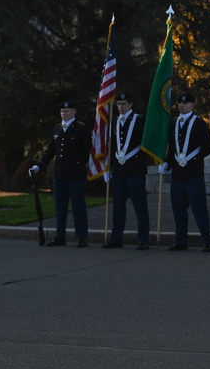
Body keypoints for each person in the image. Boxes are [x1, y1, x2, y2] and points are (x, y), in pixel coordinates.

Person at [157, 93, 210, 252]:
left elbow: (208, 147)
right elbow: (172, 149)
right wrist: (167, 163)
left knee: (199, 209)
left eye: (185, 103)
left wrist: (192, 159)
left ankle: (206, 240)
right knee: (178, 210)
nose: (181, 105)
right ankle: (181, 241)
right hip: (178, 175)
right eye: (179, 103)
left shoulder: (199, 123)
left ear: (193, 104)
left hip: (194, 174)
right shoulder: (174, 123)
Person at [30, 100, 91, 247]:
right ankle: (60, 236)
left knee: (78, 207)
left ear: (74, 112)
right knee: (60, 207)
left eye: (67, 111)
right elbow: (50, 151)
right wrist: (39, 166)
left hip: (76, 174)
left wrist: (80, 165)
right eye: (62, 111)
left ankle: (82, 237)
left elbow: (87, 151)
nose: (64, 113)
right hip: (60, 174)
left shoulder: (81, 129)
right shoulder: (57, 129)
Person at [103, 92, 151, 250]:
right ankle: (116, 239)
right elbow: (112, 147)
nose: (120, 107)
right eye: (118, 104)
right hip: (118, 171)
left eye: (124, 104)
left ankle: (143, 238)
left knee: (140, 206)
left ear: (131, 105)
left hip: (135, 170)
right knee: (117, 208)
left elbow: (147, 143)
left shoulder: (139, 120)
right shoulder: (114, 122)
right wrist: (107, 167)